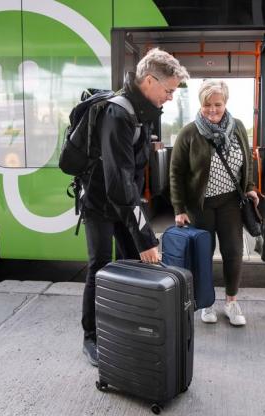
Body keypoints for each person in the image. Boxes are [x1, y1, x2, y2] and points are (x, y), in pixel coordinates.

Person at [81, 48, 189, 366]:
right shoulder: (118, 114)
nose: (170, 97)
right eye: (168, 90)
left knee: (132, 266)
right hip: (100, 204)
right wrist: (145, 237)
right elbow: (118, 183)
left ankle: (124, 328)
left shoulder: (142, 113)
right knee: (99, 267)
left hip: (122, 202)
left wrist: (141, 237)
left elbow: (129, 179)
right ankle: (91, 337)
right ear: (150, 81)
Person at [169, 79, 259, 327]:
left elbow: (248, 162)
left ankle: (231, 301)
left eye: (217, 104)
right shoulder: (189, 132)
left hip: (231, 202)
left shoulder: (238, 126)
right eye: (207, 104)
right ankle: (206, 302)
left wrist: (249, 188)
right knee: (203, 255)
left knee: (233, 252)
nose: (212, 109)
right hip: (200, 206)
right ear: (201, 104)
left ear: (225, 103)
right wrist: (179, 209)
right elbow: (175, 172)